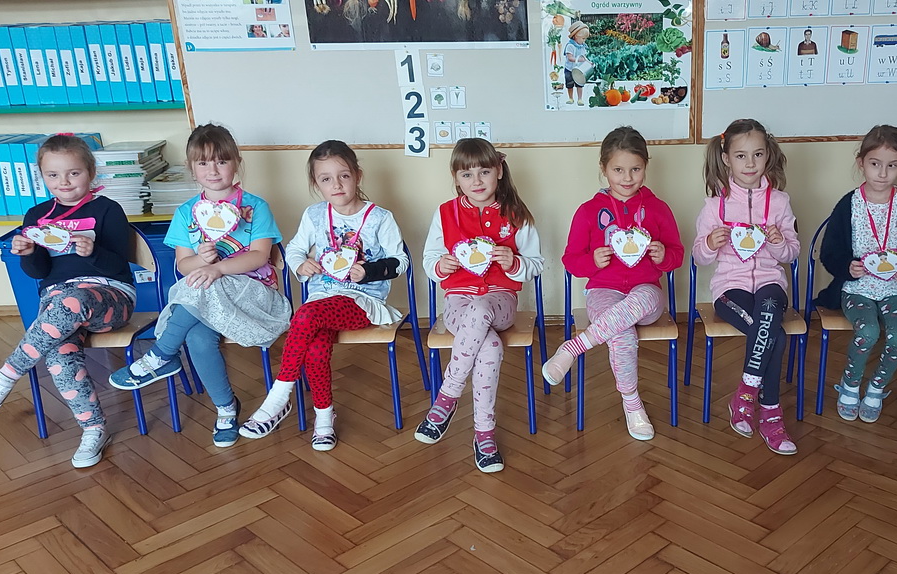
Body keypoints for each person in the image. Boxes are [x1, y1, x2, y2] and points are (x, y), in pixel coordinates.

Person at [109, 123, 290, 448]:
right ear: (191, 168)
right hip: (205, 299)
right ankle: (226, 408)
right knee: (196, 337)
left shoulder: (255, 207)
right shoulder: (186, 213)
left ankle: (161, 354)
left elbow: (260, 256)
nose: (213, 170)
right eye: (203, 162)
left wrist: (217, 268)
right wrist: (202, 260)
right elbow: (183, 265)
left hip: (254, 295)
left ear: (236, 162)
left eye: (221, 161)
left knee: (205, 284)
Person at [0, 135, 135, 468]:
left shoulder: (108, 210)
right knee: (59, 351)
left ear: (91, 173)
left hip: (110, 297)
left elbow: (120, 266)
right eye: (53, 175)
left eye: (74, 173)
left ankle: (6, 376)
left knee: (72, 300)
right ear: (42, 176)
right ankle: (94, 429)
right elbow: (39, 273)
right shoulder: (37, 214)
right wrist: (28, 253)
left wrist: (93, 252)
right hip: (58, 302)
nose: (64, 182)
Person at [238, 140, 409, 451]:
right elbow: (294, 250)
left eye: (344, 176)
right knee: (316, 349)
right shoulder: (315, 215)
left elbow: (400, 262)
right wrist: (301, 264)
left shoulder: (379, 217)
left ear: (358, 175)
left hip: (361, 301)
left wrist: (368, 271)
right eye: (326, 179)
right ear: (316, 183)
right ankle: (324, 419)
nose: (336, 185)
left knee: (304, 316)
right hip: (322, 301)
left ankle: (278, 398)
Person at [543, 126, 685, 440]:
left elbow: (677, 255)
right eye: (618, 169)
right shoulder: (588, 211)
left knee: (644, 299)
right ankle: (632, 404)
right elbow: (571, 260)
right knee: (622, 332)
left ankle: (575, 347)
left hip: (645, 293)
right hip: (603, 291)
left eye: (636, 169)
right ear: (604, 168)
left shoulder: (658, 209)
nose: (627, 177)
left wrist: (664, 255)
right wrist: (592, 261)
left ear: (646, 166)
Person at [414, 138, 543, 473]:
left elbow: (536, 264)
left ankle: (447, 396)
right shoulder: (446, 213)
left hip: (500, 302)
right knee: (490, 346)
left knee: (482, 308)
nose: (477, 181)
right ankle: (484, 434)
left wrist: (514, 262)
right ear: (456, 178)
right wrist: (441, 265)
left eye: (484, 172)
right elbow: (429, 260)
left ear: (498, 171)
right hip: (458, 301)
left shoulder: (516, 214)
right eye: (467, 174)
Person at [693, 119, 800, 455]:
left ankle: (746, 393)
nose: (750, 163)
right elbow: (699, 257)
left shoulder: (780, 202)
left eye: (758, 154)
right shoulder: (715, 206)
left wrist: (779, 242)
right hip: (730, 289)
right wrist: (710, 243)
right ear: (726, 159)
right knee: (775, 336)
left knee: (770, 310)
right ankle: (770, 410)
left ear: (768, 155)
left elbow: (791, 253)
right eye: (741, 156)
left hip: (770, 283)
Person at [816, 124, 897, 423]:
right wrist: (847, 267)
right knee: (867, 332)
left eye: (892, 165)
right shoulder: (848, 205)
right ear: (861, 163)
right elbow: (829, 252)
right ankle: (851, 384)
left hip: (895, 289)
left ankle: (876, 388)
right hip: (856, 288)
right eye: (875, 164)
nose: (883, 173)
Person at [563, 21, 590, 106]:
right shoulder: (570, 46)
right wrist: (579, 60)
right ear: (575, 36)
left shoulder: (582, 46)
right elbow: (570, 58)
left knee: (579, 84)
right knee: (569, 84)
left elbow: (584, 57)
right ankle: (571, 98)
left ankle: (580, 99)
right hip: (570, 69)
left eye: (585, 39)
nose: (584, 40)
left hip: (578, 70)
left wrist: (589, 62)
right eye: (583, 38)